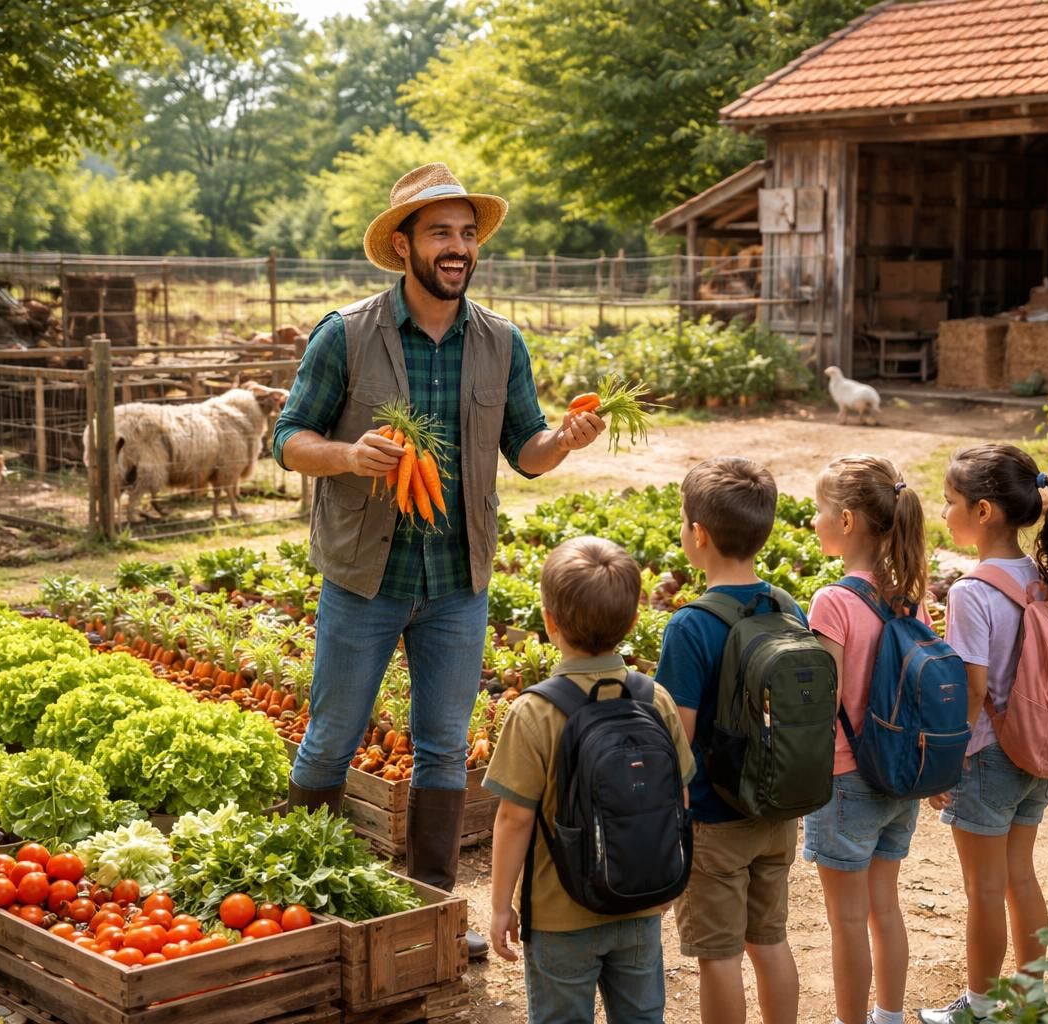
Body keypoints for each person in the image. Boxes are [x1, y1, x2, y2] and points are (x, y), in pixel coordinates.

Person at [273, 163, 607, 958]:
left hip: (458, 582)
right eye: (440, 233)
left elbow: (526, 450)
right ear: (403, 244)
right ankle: (304, 905)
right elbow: (287, 439)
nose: (458, 248)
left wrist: (561, 441)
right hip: (365, 577)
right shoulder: (347, 333)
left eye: (467, 234)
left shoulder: (499, 341)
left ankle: (429, 914)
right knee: (331, 739)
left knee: (442, 746)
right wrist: (348, 456)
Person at [485, 536, 695, 1024]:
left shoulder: (534, 711)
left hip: (560, 917)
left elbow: (514, 819)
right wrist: (666, 880)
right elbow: (679, 798)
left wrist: (500, 907)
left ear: (549, 622)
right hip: (639, 903)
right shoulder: (655, 699)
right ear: (632, 622)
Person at [919, 445, 1048, 1024]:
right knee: (1020, 875)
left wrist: (945, 762)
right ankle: (1030, 999)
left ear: (985, 510)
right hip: (1036, 748)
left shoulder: (972, 591)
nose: (944, 513)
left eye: (951, 502)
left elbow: (972, 692)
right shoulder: (1037, 577)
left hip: (988, 755)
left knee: (983, 889)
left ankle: (982, 1006)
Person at [656, 456, 802, 1024]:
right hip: (775, 807)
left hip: (715, 818)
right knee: (769, 941)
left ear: (699, 535)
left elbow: (680, 737)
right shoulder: (786, 606)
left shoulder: (689, 626)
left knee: (717, 956)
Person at [803, 455, 929, 1024]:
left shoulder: (834, 601)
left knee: (847, 920)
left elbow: (821, 702)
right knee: (885, 908)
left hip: (847, 776)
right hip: (901, 774)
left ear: (848, 521)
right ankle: (889, 1016)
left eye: (818, 510)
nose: (813, 521)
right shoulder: (908, 595)